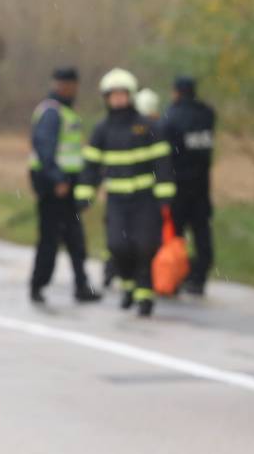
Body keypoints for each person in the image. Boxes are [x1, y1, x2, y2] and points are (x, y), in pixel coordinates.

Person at [75, 68, 176, 318]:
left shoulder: (147, 126)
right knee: (118, 246)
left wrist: (165, 195)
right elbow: (91, 167)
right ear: (106, 98)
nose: (118, 99)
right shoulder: (101, 130)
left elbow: (162, 162)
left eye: (123, 94)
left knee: (145, 245)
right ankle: (129, 285)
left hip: (145, 199)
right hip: (117, 201)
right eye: (114, 95)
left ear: (130, 96)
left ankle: (145, 294)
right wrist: (84, 195)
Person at [28, 67, 102, 304]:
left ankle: (81, 284)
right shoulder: (52, 112)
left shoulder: (66, 112)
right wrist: (57, 179)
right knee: (50, 238)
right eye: (67, 84)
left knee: (74, 237)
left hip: (68, 184)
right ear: (59, 85)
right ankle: (38, 285)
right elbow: (44, 149)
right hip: (54, 186)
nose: (71, 89)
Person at [163, 75, 217, 295]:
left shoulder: (171, 117)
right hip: (201, 184)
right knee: (202, 231)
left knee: (176, 234)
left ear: (176, 92)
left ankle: (177, 275)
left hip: (178, 185)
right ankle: (199, 276)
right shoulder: (207, 114)